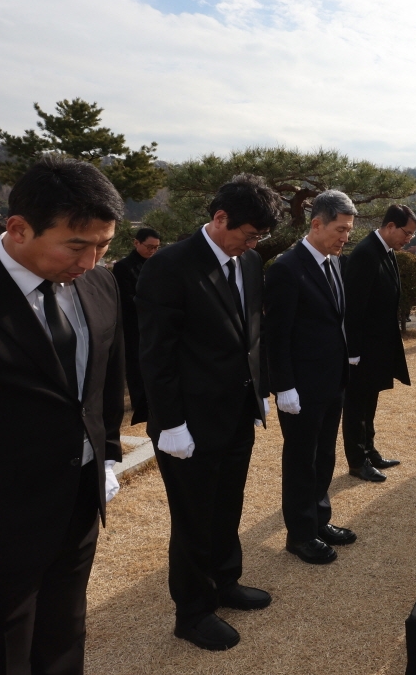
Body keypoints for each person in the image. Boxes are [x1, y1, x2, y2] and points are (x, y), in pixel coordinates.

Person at [0, 156, 125, 675]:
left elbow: (105, 379)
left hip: (78, 498)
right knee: (1, 640)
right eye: (76, 245)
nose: (90, 262)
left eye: (103, 246)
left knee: (65, 625)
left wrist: (106, 455)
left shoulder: (99, 285)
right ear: (18, 228)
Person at [137, 174, 282, 651]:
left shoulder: (251, 263)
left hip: (237, 410)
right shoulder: (171, 266)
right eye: (248, 233)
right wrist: (171, 422)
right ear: (220, 218)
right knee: (194, 515)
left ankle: (225, 580)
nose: (253, 242)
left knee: (228, 504)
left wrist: (259, 391)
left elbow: (253, 333)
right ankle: (192, 611)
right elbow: (157, 354)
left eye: (258, 236)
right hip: (190, 422)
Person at [265, 190, 358, 565]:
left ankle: (320, 520)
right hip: (300, 387)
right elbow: (277, 334)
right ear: (316, 223)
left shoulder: (333, 263)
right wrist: (283, 385)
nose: (345, 236)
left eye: (349, 230)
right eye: (340, 229)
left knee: (324, 456)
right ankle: (300, 534)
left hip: (330, 380)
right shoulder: (287, 268)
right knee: (302, 459)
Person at [341, 204, 416, 482]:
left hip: (377, 344)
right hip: (361, 348)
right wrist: (352, 351)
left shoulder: (385, 251)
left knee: (369, 401)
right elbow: (353, 306)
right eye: (406, 233)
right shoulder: (365, 254)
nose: (408, 239)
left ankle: (369, 451)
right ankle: (356, 460)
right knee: (356, 405)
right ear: (390, 227)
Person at [112, 227, 161, 425]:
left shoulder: (159, 263)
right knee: (136, 364)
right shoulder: (124, 267)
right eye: (149, 247)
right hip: (134, 323)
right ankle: (139, 402)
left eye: (156, 247)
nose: (152, 251)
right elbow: (125, 298)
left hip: (156, 321)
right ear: (136, 243)